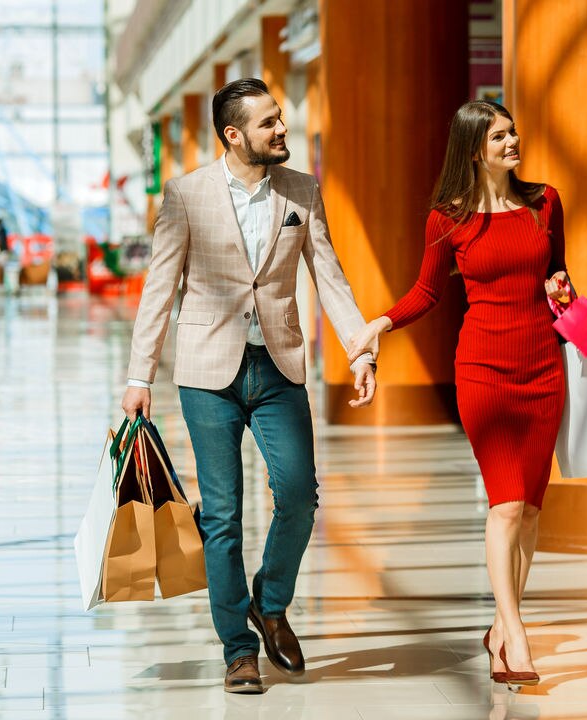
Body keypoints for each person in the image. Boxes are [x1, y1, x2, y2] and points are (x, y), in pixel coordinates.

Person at [121, 78, 377, 694]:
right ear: (233, 135)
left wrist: (358, 349)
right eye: (268, 123)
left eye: (280, 118)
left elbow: (331, 277)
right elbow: (160, 289)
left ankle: (271, 600)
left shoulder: (302, 191)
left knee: (298, 492)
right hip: (208, 373)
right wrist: (138, 375)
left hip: (279, 366)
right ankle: (239, 648)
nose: (281, 129)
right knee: (224, 515)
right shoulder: (186, 195)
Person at [347, 100, 570, 687]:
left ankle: (501, 626)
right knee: (504, 504)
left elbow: (559, 272)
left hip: (545, 369)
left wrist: (562, 287)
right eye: (500, 135)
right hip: (484, 373)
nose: (514, 140)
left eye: (514, 130)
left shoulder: (545, 201)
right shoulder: (448, 220)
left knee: (530, 511)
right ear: (474, 149)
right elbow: (427, 292)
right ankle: (516, 633)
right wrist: (379, 325)